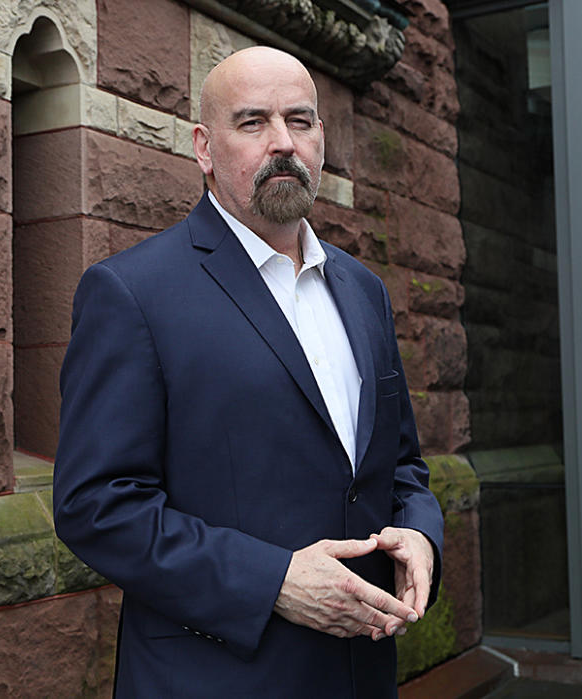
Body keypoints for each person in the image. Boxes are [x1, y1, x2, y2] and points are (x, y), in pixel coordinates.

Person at [52, 46, 444, 697]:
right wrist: (273, 581)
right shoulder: (132, 292)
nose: (283, 143)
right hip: (218, 676)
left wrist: (423, 537)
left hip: (362, 674)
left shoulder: (364, 290)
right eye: (253, 122)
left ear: (321, 137)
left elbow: (402, 467)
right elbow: (96, 506)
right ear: (204, 147)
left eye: (300, 120)